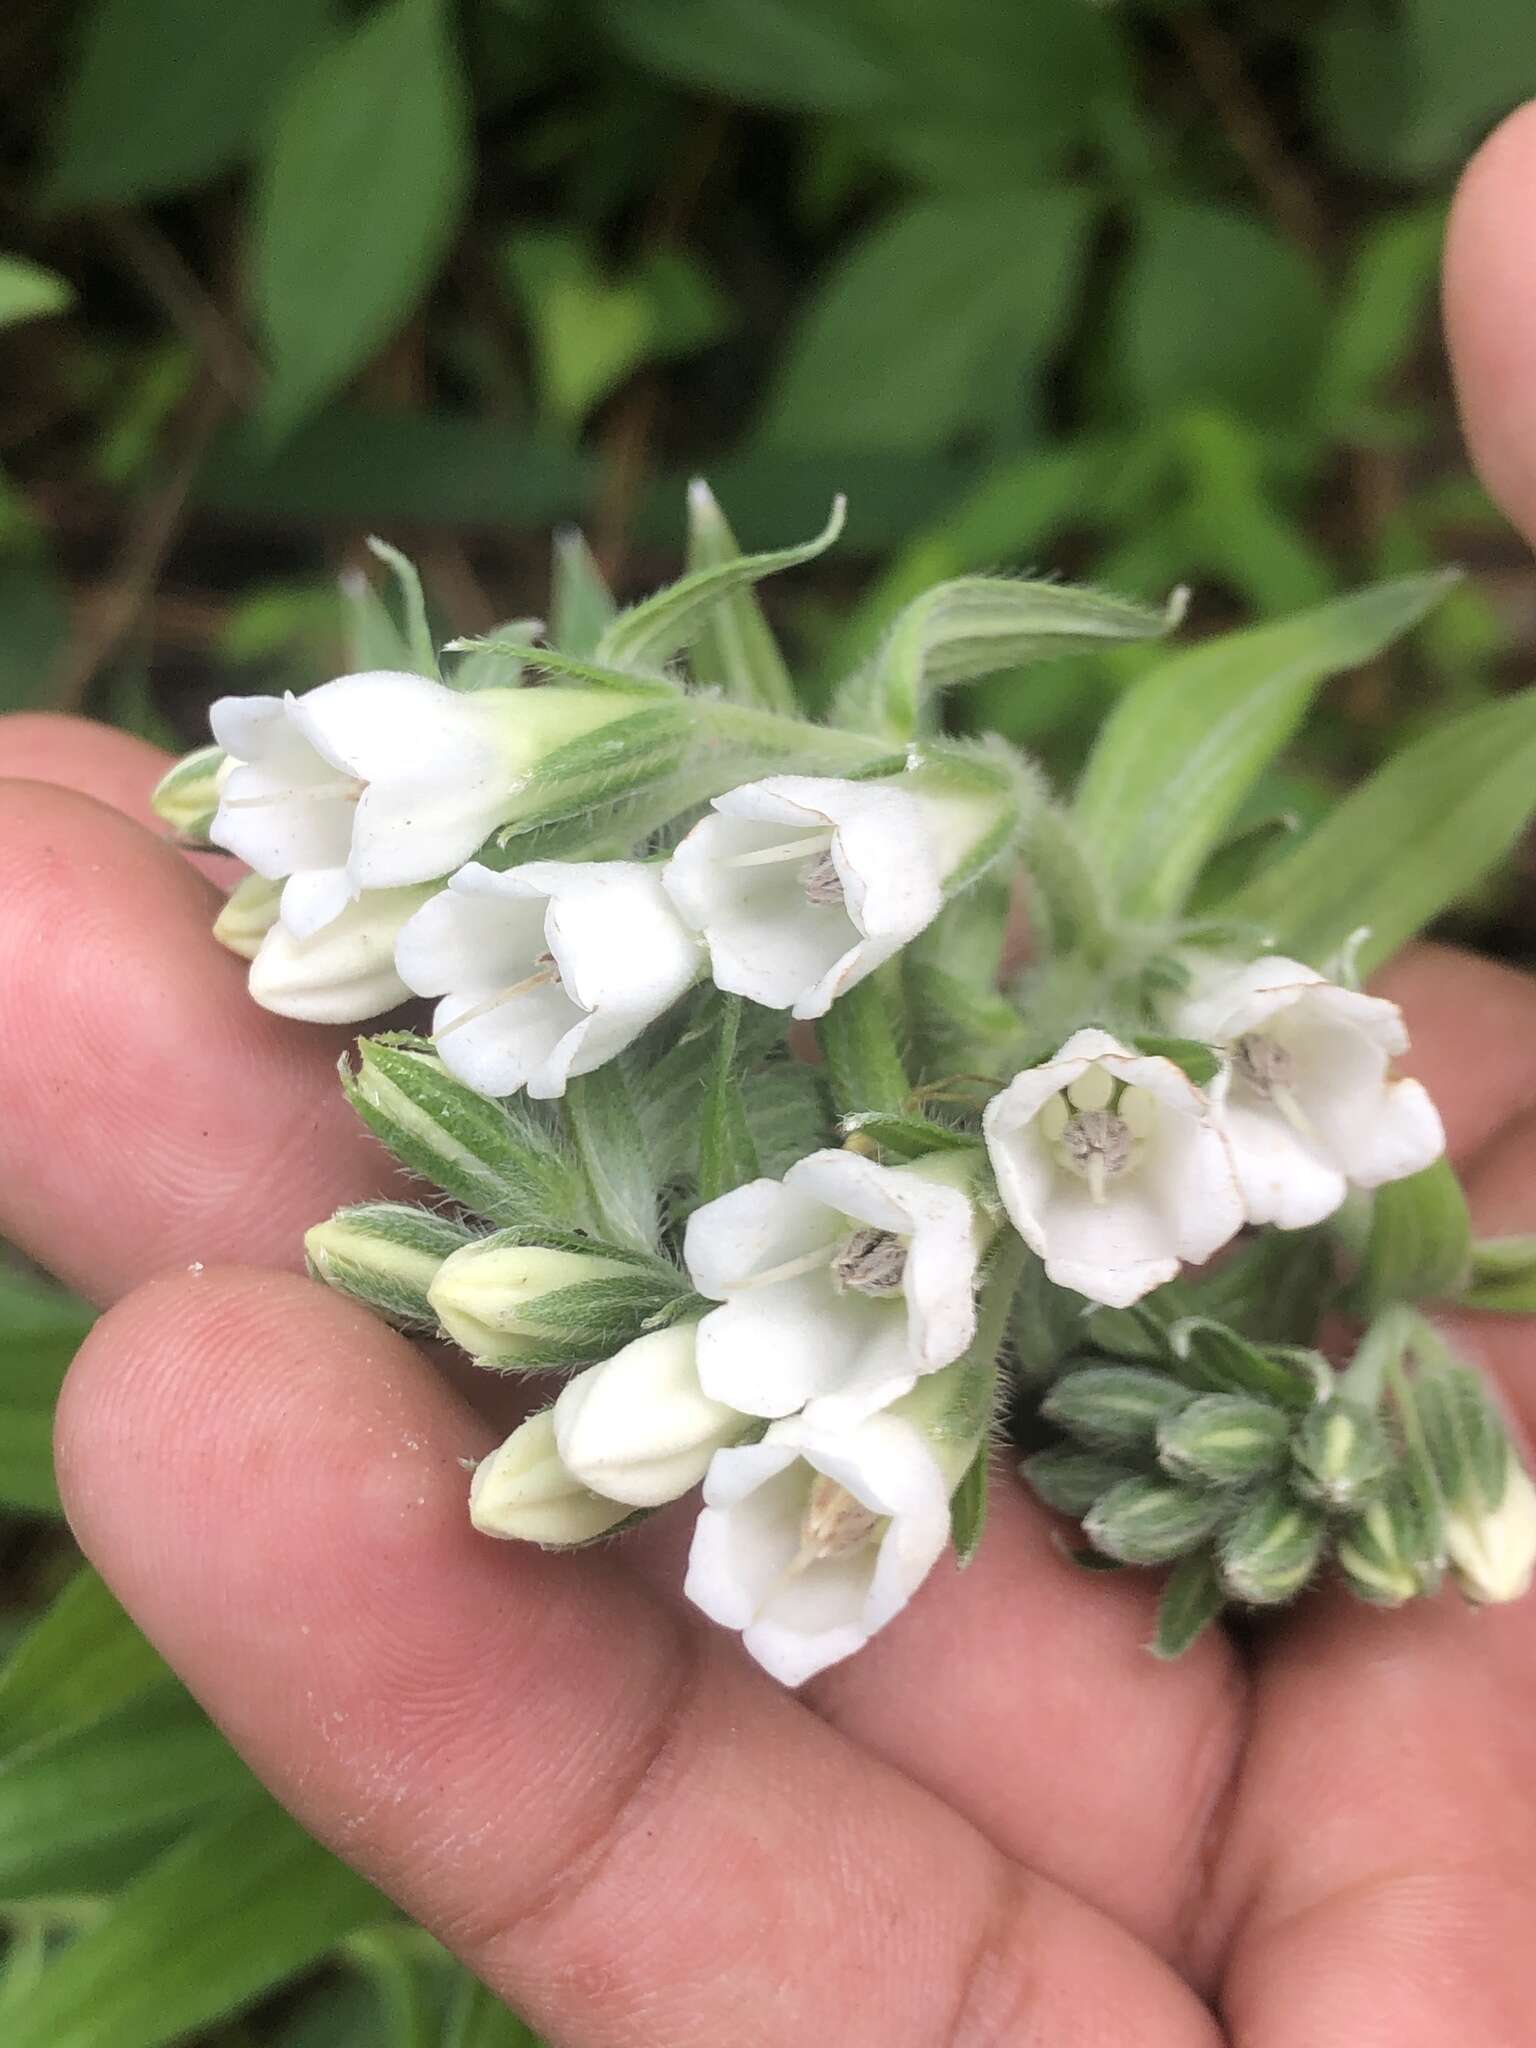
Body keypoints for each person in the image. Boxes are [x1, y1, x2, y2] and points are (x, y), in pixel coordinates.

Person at [6, 105, 1536, 2048]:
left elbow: (1083, 1123)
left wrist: (1113, 1128)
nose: (1103, 1105)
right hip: (798, 1053)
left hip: (965, 1160)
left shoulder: (1149, 1119)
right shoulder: (809, 978)